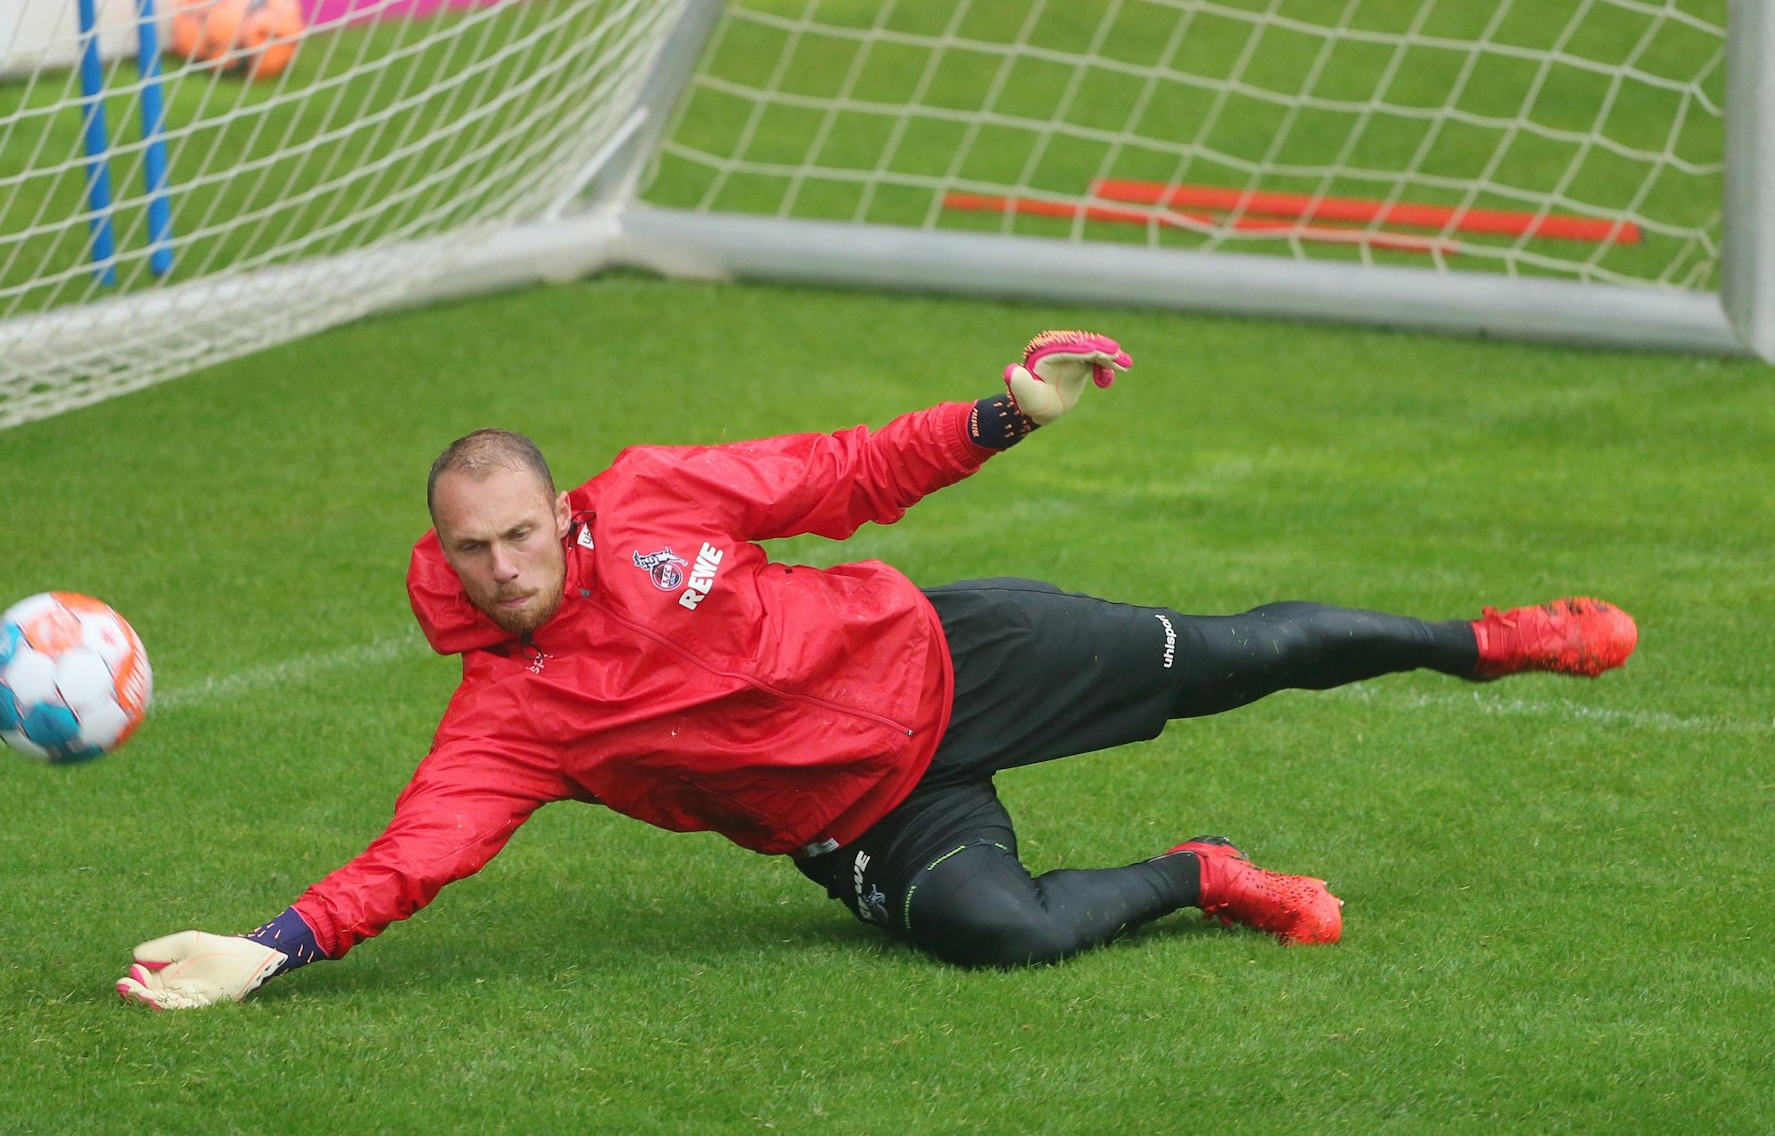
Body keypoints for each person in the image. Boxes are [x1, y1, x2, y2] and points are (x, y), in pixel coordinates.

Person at [115, 331, 1637, 1009]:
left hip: (952, 656)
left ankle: (1492, 641)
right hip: (858, 813)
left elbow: (838, 470)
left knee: (1252, 653)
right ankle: (1201, 874)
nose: (503, 571)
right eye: (473, 554)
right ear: (441, 557)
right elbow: (421, 847)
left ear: (563, 509)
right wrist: (275, 942)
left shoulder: (661, 495)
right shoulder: (512, 713)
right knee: (998, 939)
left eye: (519, 535)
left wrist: (1003, 414)